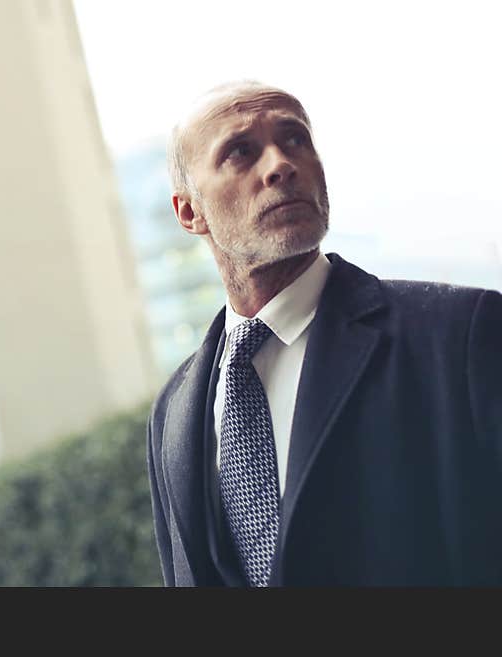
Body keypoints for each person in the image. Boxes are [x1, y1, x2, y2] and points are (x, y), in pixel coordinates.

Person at [146, 80, 502, 586]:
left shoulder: (459, 336)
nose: (280, 165)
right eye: (240, 152)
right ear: (189, 212)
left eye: (295, 140)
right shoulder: (172, 412)